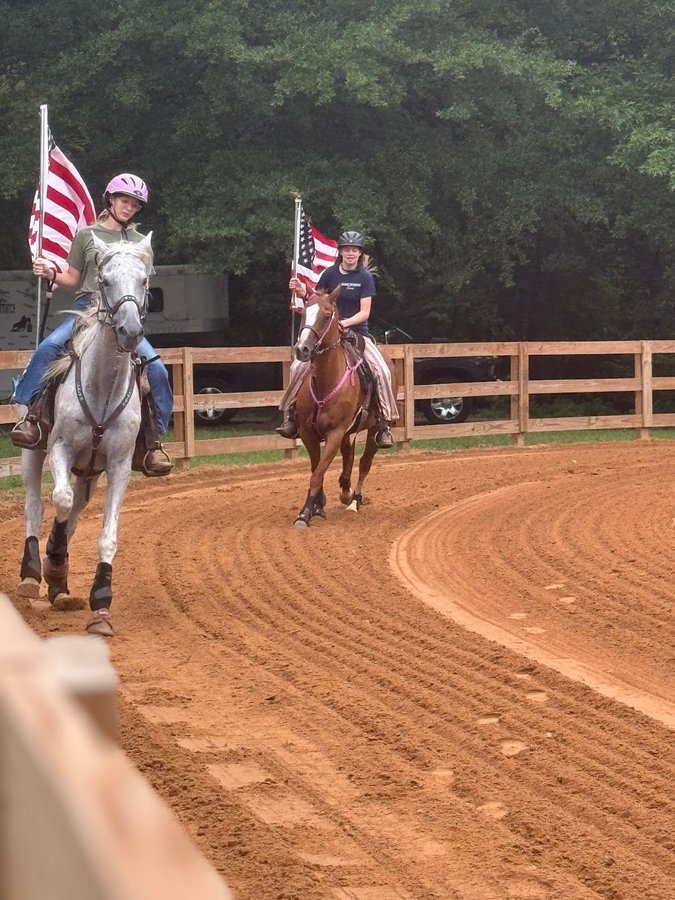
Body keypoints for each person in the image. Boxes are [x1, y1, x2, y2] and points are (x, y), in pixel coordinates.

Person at [11, 173, 173, 475]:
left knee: (158, 369)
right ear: (110, 199)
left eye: (135, 205)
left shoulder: (142, 243)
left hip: (124, 314)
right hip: (89, 309)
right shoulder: (87, 235)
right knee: (48, 347)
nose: (129, 208)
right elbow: (72, 279)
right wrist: (50, 272)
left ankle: (154, 442)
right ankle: (31, 418)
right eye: (125, 201)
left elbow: (142, 284)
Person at [277, 230, 398, 448]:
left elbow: (365, 312)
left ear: (359, 253)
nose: (350, 253)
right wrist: (302, 290)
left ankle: (384, 423)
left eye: (354, 250)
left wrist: (345, 323)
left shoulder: (365, 278)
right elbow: (317, 299)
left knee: (381, 370)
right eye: (346, 249)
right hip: (328, 334)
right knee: (297, 367)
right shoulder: (330, 274)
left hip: (357, 333)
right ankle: (291, 416)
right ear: (340, 252)